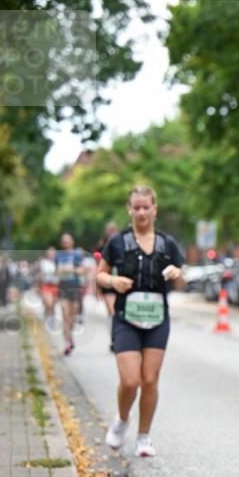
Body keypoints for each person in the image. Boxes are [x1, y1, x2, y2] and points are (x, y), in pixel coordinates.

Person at [96, 186, 186, 458]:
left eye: (147, 207)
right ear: (129, 210)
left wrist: (176, 273)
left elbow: (182, 282)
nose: (142, 212)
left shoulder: (167, 244)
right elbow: (100, 275)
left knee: (149, 379)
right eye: (137, 207)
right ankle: (123, 419)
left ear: (155, 209)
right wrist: (113, 281)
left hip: (157, 318)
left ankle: (144, 437)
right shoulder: (117, 242)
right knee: (130, 379)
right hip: (126, 318)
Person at [55, 233, 85, 354]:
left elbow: (83, 270)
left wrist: (71, 269)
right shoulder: (59, 256)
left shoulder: (77, 255)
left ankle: (70, 336)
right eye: (64, 241)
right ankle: (67, 342)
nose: (66, 242)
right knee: (65, 315)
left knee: (72, 316)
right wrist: (59, 271)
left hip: (75, 287)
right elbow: (55, 272)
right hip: (63, 287)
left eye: (68, 240)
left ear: (72, 241)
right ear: (62, 243)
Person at [96, 222, 120, 352]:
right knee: (112, 311)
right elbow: (99, 269)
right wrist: (98, 287)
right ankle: (114, 339)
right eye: (109, 231)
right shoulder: (102, 247)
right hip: (108, 283)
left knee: (118, 312)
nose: (112, 233)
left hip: (121, 282)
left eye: (114, 230)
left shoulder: (123, 245)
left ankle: (118, 337)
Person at [37, 247, 59, 326]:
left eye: (53, 252)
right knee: (48, 303)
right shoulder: (43, 262)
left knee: (53, 304)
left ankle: (51, 319)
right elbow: (39, 274)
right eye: (50, 252)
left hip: (56, 285)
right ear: (47, 253)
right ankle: (47, 318)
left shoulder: (57, 262)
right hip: (46, 285)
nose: (52, 254)